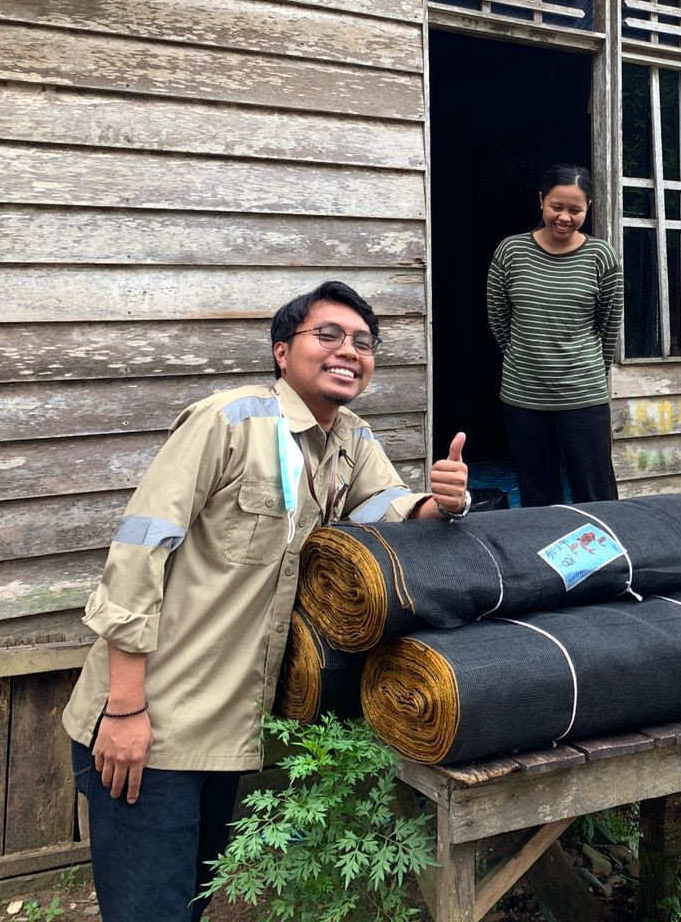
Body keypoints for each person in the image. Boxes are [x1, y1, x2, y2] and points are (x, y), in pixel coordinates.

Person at [60, 280, 471, 922]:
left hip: (226, 732)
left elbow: (392, 512)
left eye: (363, 343)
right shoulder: (229, 421)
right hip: (151, 723)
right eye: (327, 334)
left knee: (188, 904)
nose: (348, 351)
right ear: (283, 350)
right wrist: (124, 709)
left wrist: (442, 500)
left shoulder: (351, 442)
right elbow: (139, 552)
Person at [486, 163, 624, 507]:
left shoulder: (601, 256)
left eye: (575, 210)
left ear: (588, 207)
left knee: (595, 495)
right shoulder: (511, 252)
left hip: (584, 393)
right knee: (537, 496)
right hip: (524, 395)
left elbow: (609, 325)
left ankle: (611, 560)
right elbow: (498, 316)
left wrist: (589, 368)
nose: (564, 217)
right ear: (541, 202)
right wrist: (526, 355)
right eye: (556, 207)